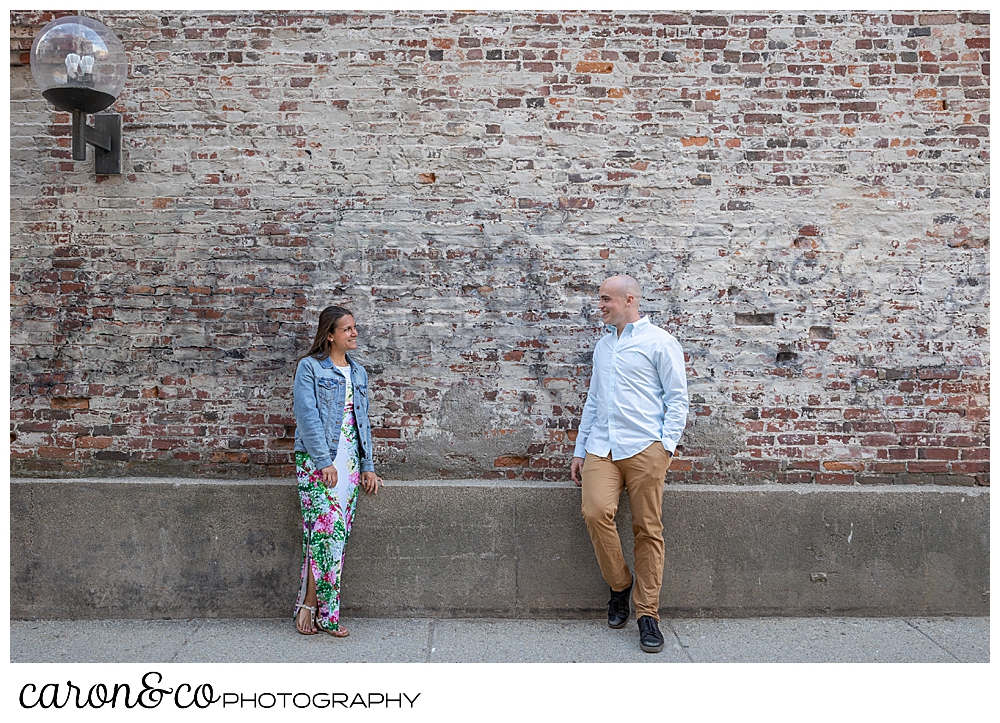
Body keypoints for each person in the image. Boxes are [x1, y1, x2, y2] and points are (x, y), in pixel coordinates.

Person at [570, 275, 689, 653]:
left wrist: (664, 448)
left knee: (647, 529)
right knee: (595, 512)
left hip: (644, 449)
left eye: (606, 299)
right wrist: (580, 448)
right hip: (601, 448)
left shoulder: (660, 342)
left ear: (629, 299)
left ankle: (648, 614)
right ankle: (620, 585)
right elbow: (594, 399)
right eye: (600, 299)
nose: (600, 305)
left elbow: (678, 398)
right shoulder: (604, 347)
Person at [293, 305, 383, 637]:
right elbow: (307, 416)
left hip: (349, 465)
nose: (354, 333)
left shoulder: (358, 373)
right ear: (330, 335)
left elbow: (363, 423)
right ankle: (320, 612)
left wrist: (368, 467)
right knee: (325, 533)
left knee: (333, 537)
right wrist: (323, 462)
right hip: (319, 463)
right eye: (347, 329)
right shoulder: (310, 368)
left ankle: (309, 605)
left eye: (354, 327)